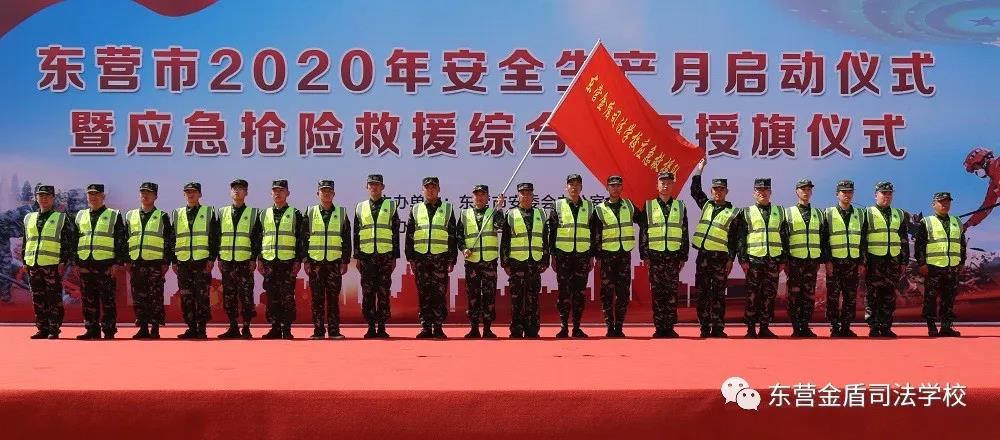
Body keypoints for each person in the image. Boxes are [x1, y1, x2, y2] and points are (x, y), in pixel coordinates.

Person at [689, 158, 739, 337]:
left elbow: (734, 239)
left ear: (726, 191)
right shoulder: (706, 205)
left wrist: (731, 259)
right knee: (702, 293)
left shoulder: (733, 212)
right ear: (711, 191)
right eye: (715, 189)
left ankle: (718, 328)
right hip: (703, 257)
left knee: (718, 294)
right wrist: (699, 169)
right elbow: (695, 190)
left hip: (720, 259)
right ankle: (704, 327)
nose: (718, 192)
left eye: (721, 189)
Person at [74, 183, 127, 340]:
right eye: (90, 194)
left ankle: (109, 330)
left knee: (108, 300)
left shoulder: (113, 214)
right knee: (88, 299)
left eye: (96, 194)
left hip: (106, 264)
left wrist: (117, 263)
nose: (93, 197)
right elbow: (75, 239)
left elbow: (120, 240)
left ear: (103, 196)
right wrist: (75, 262)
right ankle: (91, 329)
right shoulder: (80, 215)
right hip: (85, 263)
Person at [638, 172, 689, 338]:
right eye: (662, 183)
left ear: (673, 186)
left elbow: (684, 232)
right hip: (655, 257)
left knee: (672, 292)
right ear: (657, 186)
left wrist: (683, 256)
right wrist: (645, 255)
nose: (665, 186)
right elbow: (644, 232)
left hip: (673, 256)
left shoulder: (680, 206)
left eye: (668, 183)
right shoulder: (649, 206)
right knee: (658, 293)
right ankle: (659, 327)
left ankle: (670, 327)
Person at [22, 184, 76, 339]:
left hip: (52, 264)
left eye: (47, 196)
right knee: (37, 298)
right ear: (36, 198)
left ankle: (54, 328)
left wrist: (63, 261)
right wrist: (24, 260)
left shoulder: (61, 218)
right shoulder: (29, 218)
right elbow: (27, 241)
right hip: (33, 263)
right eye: (41, 196)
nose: (44, 199)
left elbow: (67, 242)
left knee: (53, 298)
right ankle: (42, 328)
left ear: (53, 198)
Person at [737, 178, 787, 339]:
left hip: (773, 259)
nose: (762, 193)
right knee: (752, 295)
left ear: (770, 192)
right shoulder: (746, 212)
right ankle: (751, 328)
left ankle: (764, 327)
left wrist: (783, 260)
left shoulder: (780, 211)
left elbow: (784, 236)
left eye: (765, 190)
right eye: (759, 190)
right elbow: (741, 237)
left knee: (769, 295)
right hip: (754, 260)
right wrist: (743, 259)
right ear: (754, 193)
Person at [303, 180, 352, 339]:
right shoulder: (310, 212)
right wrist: (305, 260)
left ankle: (334, 330)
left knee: (333, 299)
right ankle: (318, 330)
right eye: (323, 191)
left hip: (334, 262)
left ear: (334, 194)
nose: (326, 193)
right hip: (315, 262)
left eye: (329, 191)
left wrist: (345, 260)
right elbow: (303, 238)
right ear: (317, 193)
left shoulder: (341, 213)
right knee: (317, 298)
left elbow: (347, 238)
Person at [124, 182, 174, 339]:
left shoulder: (162, 216)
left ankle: (155, 328)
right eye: (143, 192)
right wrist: (126, 260)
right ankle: (143, 327)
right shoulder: (130, 215)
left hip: (155, 263)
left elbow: (169, 240)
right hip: (136, 262)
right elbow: (125, 239)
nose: (145, 195)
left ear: (155, 197)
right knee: (139, 296)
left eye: (149, 193)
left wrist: (166, 262)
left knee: (155, 296)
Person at [500, 182, 549, 339]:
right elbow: (505, 240)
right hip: (517, 263)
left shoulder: (541, 214)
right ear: (518, 196)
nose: (526, 196)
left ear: (533, 195)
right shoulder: (511, 214)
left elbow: (545, 238)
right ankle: (516, 329)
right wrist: (505, 262)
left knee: (533, 298)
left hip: (535, 263)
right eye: (523, 193)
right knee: (517, 299)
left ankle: (532, 329)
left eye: (528, 193)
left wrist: (545, 260)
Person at [548, 174, 595, 338]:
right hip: (563, 256)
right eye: (571, 184)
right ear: (566, 187)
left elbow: (593, 233)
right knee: (564, 293)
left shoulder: (589, 206)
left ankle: (576, 327)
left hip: (582, 256)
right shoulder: (557, 206)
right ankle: (564, 327)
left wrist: (591, 256)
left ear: (581, 187)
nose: (574, 187)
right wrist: (553, 255)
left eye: (577, 184)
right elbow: (552, 232)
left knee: (579, 293)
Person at [354, 174, 400, 338]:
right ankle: (370, 326)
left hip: (385, 256)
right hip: (366, 257)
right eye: (371, 184)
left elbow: (395, 232)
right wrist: (357, 257)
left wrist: (394, 257)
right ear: (367, 187)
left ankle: (381, 326)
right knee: (368, 293)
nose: (374, 187)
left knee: (383, 292)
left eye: (377, 184)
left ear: (382, 187)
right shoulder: (360, 207)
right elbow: (356, 233)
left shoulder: (391, 205)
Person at [172, 182, 219, 339]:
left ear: (200, 194)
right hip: (183, 262)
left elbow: (214, 237)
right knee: (186, 296)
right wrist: (174, 260)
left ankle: (201, 328)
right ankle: (191, 327)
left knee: (202, 296)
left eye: (194, 192)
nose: (191, 194)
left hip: (202, 262)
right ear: (184, 194)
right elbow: (173, 238)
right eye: (188, 192)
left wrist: (211, 258)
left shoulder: (208, 212)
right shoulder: (177, 213)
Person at [915, 192, 966, 337]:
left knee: (949, 297)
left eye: (947, 202)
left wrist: (962, 262)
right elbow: (919, 245)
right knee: (931, 297)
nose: (945, 204)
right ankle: (931, 326)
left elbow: (962, 244)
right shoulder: (926, 222)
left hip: (952, 266)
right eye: (941, 202)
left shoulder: (957, 221)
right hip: (933, 267)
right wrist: (922, 263)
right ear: (934, 204)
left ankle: (946, 326)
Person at [456, 184, 504, 339]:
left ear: (488, 197)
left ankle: (488, 328)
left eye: (483, 194)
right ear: (472, 197)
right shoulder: (465, 214)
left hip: (489, 261)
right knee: (473, 295)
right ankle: (474, 328)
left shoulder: (493, 212)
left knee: (489, 295)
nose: (479, 197)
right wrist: (464, 249)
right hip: (472, 261)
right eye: (476, 194)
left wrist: (499, 208)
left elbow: (500, 225)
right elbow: (459, 235)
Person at [259, 179, 305, 340]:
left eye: (281, 190)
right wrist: (259, 259)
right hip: (269, 261)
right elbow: (260, 238)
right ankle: (274, 328)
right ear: (271, 193)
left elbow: (300, 239)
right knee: (271, 296)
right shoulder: (264, 214)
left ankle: (287, 328)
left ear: (287, 193)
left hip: (288, 262)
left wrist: (298, 260)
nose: (278, 193)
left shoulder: (295, 213)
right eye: (275, 190)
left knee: (287, 296)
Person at [863, 181, 910, 338]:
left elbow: (904, 239)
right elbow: (862, 239)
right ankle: (873, 326)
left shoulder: (899, 214)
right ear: (875, 195)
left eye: (889, 193)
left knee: (889, 295)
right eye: (883, 193)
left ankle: (886, 326)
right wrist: (863, 261)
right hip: (874, 261)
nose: (887, 196)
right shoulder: (867, 213)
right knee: (873, 295)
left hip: (893, 260)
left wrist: (904, 261)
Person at [217, 179, 262, 339]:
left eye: (241, 188)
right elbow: (217, 236)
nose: (237, 191)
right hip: (227, 261)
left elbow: (257, 238)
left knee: (246, 296)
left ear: (246, 193)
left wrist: (254, 259)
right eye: (234, 188)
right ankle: (233, 327)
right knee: (229, 296)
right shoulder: (222, 213)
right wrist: (219, 258)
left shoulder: (254, 213)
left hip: (245, 262)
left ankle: (246, 328)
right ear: (230, 192)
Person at [823, 180, 865, 337]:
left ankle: (846, 326)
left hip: (853, 262)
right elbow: (824, 239)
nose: (847, 194)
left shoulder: (860, 214)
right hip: (835, 262)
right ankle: (834, 326)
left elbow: (863, 240)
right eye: (843, 192)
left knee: (850, 296)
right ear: (837, 194)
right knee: (833, 296)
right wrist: (827, 261)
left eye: (849, 192)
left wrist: (862, 262)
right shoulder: (828, 213)